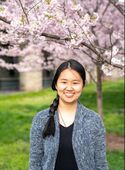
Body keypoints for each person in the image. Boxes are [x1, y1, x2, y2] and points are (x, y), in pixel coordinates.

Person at [29, 59, 109, 170]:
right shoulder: (41, 119)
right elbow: (35, 163)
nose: (69, 88)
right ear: (56, 84)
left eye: (75, 83)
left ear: (83, 85)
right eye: (64, 82)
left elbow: (101, 164)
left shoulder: (94, 120)